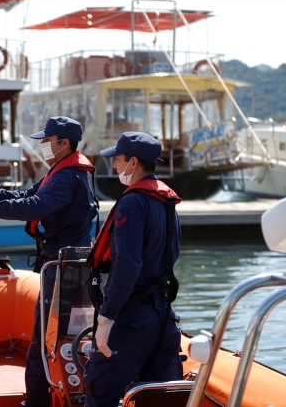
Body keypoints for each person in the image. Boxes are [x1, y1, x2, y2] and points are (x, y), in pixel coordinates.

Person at [0, 116, 98, 406]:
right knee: (55, 341)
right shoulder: (62, 171)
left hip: (65, 270)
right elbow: (27, 194)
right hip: (65, 266)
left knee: (43, 345)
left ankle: (39, 401)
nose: (42, 145)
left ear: (63, 143)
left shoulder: (67, 176)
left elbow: (36, 205)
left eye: (46, 140)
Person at [83, 132, 183, 407]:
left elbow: (128, 265)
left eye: (118, 159)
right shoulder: (167, 202)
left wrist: (106, 318)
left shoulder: (132, 202)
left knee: (100, 392)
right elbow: (171, 254)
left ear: (134, 162)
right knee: (159, 397)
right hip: (163, 317)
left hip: (131, 318)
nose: (114, 166)